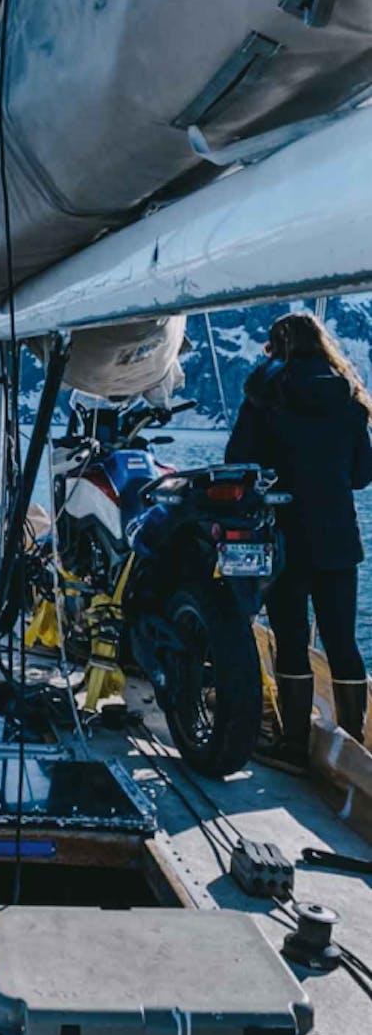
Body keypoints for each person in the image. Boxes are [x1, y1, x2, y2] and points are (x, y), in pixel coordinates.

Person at [225, 311, 372, 774]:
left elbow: (238, 462)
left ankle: (292, 745)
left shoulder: (266, 394)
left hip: (285, 534)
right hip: (337, 537)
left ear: (275, 347)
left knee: (291, 639)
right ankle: (352, 744)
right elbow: (363, 476)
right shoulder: (349, 399)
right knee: (342, 641)